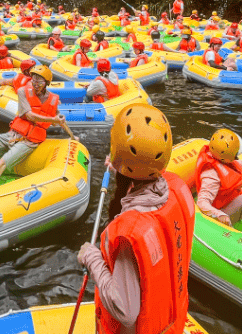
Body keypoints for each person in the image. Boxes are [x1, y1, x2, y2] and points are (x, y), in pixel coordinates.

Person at [77, 104, 194, 334]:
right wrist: (121, 164)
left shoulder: (131, 234)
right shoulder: (172, 188)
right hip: (170, 323)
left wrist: (92, 258)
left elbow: (125, 312)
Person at [0, 65, 72, 189]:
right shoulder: (22, 91)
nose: (35, 83)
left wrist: (71, 134)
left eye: (39, 80)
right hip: (12, 135)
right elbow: (29, 116)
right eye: (33, 79)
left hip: (30, 142)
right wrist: (52, 120)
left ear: (46, 83)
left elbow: (58, 120)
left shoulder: (53, 100)